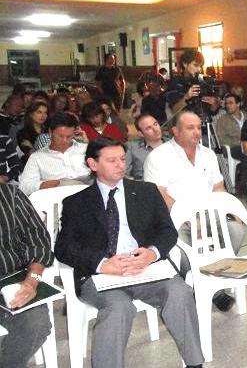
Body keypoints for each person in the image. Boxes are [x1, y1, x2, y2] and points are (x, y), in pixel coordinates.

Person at [55, 137, 204, 368]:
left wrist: (152, 253)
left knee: (180, 291)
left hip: (145, 269)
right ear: (93, 164)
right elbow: (64, 247)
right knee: (118, 308)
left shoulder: (146, 191)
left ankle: (195, 363)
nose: (120, 165)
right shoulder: (77, 202)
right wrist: (102, 264)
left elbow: (167, 231)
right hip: (101, 275)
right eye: (111, 160)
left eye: (123, 159)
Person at [144, 111, 244, 311]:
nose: (197, 132)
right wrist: (188, 218)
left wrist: (231, 211)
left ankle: (212, 280)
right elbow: (160, 195)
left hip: (208, 214)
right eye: (190, 128)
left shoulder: (208, 154)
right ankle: (207, 289)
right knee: (180, 252)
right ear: (175, 131)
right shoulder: (158, 157)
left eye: (199, 127)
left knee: (235, 230)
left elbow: (218, 187)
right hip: (174, 218)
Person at [0, 184, 54, 368]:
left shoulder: (9, 195)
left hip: (13, 279)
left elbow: (38, 241)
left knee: (36, 324)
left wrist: (32, 281)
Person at [19, 112, 91, 196]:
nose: (64, 141)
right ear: (50, 132)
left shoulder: (85, 149)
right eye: (60, 136)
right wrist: (43, 185)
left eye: (68, 137)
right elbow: (24, 187)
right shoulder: (37, 157)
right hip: (55, 197)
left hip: (88, 194)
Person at [216, 93, 247, 193]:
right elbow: (221, 139)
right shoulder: (223, 120)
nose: (228, 105)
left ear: (238, 104)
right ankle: (242, 185)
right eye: (226, 103)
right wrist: (240, 142)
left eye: (231, 103)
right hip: (232, 148)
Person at [125, 114, 165, 180]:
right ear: (141, 134)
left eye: (155, 124)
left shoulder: (174, 144)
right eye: (148, 128)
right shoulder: (132, 147)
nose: (156, 129)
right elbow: (124, 174)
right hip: (143, 184)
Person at [164, 50, 205, 115]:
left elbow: (208, 110)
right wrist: (186, 97)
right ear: (185, 64)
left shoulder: (201, 81)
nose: (199, 69)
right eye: (196, 65)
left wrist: (214, 104)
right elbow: (173, 110)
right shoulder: (175, 82)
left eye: (200, 66)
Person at [17, 100, 48, 165]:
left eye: (45, 113)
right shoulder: (23, 133)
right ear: (31, 114)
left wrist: (33, 147)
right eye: (39, 112)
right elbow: (31, 156)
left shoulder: (49, 131)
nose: (43, 116)